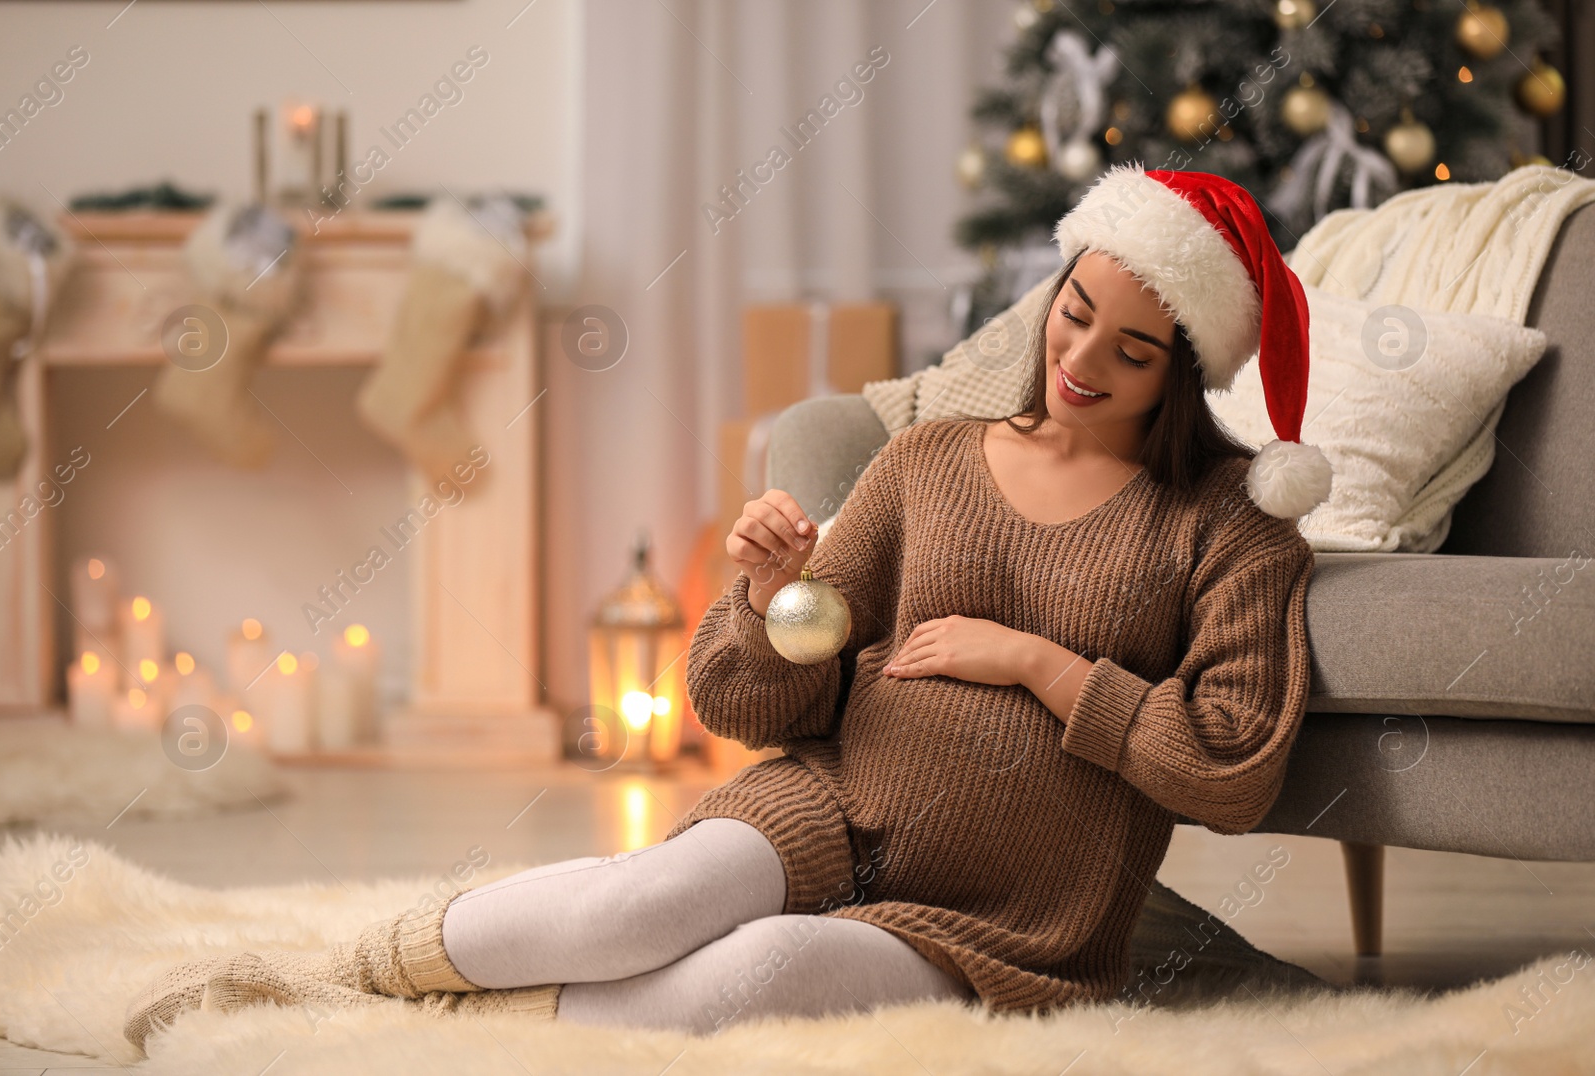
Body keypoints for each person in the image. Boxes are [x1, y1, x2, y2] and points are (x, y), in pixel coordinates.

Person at [124, 163, 1332, 1050]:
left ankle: (424, 1035)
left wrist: (1038, 663)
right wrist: (762, 597)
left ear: (1183, 370)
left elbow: (1229, 770)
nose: (1082, 360)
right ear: (1053, 288)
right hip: (827, 803)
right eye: (1075, 312)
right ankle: (332, 981)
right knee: (641, 903)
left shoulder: (1227, 523)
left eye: (1132, 350)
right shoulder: (929, 459)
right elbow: (751, 691)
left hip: (1005, 917)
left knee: (750, 975)